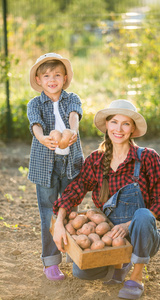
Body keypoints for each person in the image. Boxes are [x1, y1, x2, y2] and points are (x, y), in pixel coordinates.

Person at [53, 99, 160, 299]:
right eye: (114, 122)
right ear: (107, 125)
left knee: (142, 215)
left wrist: (127, 224)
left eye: (126, 123)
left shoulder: (148, 158)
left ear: (133, 129)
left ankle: (136, 276)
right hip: (107, 234)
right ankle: (118, 264)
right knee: (82, 272)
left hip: (140, 233)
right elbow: (76, 188)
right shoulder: (96, 160)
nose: (119, 128)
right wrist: (59, 222)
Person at [27, 53, 84, 281]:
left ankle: (72, 251)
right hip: (45, 165)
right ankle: (50, 261)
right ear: (39, 80)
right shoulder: (34, 103)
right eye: (47, 75)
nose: (52, 79)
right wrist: (42, 138)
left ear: (65, 77)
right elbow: (36, 125)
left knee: (70, 210)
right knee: (48, 211)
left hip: (71, 164)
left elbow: (74, 117)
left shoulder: (72, 98)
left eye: (57, 75)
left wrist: (73, 131)